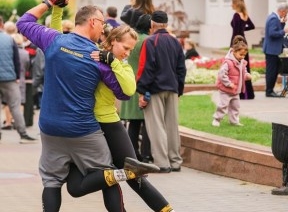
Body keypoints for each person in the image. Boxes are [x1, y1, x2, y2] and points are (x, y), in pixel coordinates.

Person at [16, 2, 160, 211]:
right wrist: (114, 63)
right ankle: (122, 173)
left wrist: (50, 4)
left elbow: (23, 22)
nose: (103, 29)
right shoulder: (96, 56)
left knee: (51, 181)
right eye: (102, 23)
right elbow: (123, 92)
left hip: (50, 128)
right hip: (83, 130)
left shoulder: (54, 41)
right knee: (106, 173)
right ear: (93, 22)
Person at [50, 6, 175, 211]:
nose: (127, 53)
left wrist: (114, 62)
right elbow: (57, 41)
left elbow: (129, 88)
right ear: (113, 41)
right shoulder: (90, 53)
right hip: (82, 128)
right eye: (125, 48)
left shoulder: (120, 65)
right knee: (95, 181)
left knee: (134, 177)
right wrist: (57, 10)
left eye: (130, 50)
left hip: (109, 125)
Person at [137, 11, 187, 173]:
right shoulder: (175, 42)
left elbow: (147, 68)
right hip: (172, 88)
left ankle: (162, 162)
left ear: (152, 24)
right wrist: (178, 90)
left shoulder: (151, 41)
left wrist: (142, 91)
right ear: (166, 23)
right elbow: (182, 69)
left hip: (155, 89)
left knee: (156, 126)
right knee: (172, 126)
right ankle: (175, 161)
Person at [120, 14, 153, 163]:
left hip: (129, 79)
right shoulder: (147, 40)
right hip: (142, 81)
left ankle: (132, 153)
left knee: (133, 123)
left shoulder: (133, 38)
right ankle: (145, 154)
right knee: (145, 121)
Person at [0, 16, 36, 143]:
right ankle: (23, 134)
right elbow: (16, 60)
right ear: (2, 25)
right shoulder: (10, 40)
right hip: (9, 78)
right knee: (15, 105)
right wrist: (16, 76)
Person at [212, 35, 252, 127]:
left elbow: (243, 72)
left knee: (236, 106)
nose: (242, 57)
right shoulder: (228, 62)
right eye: (241, 54)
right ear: (234, 51)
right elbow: (222, 74)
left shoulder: (242, 62)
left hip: (235, 90)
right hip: (226, 90)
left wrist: (247, 75)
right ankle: (217, 119)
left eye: (244, 55)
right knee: (223, 105)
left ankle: (234, 121)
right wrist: (228, 83)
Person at [263, 2, 288, 98]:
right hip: (271, 50)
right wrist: (284, 31)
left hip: (273, 49)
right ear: (282, 11)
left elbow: (276, 30)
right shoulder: (274, 18)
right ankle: (269, 91)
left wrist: (282, 24)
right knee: (272, 71)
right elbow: (272, 33)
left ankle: (270, 89)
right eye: (286, 13)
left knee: (275, 69)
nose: (286, 15)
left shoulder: (274, 17)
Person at [230, 0, 255, 100]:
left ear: (236, 4)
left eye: (232, 3)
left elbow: (236, 32)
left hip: (237, 43)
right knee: (245, 68)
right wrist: (243, 30)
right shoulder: (245, 15)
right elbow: (252, 26)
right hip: (244, 43)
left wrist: (233, 47)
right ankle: (249, 94)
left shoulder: (236, 15)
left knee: (236, 68)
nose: (231, 5)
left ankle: (239, 93)